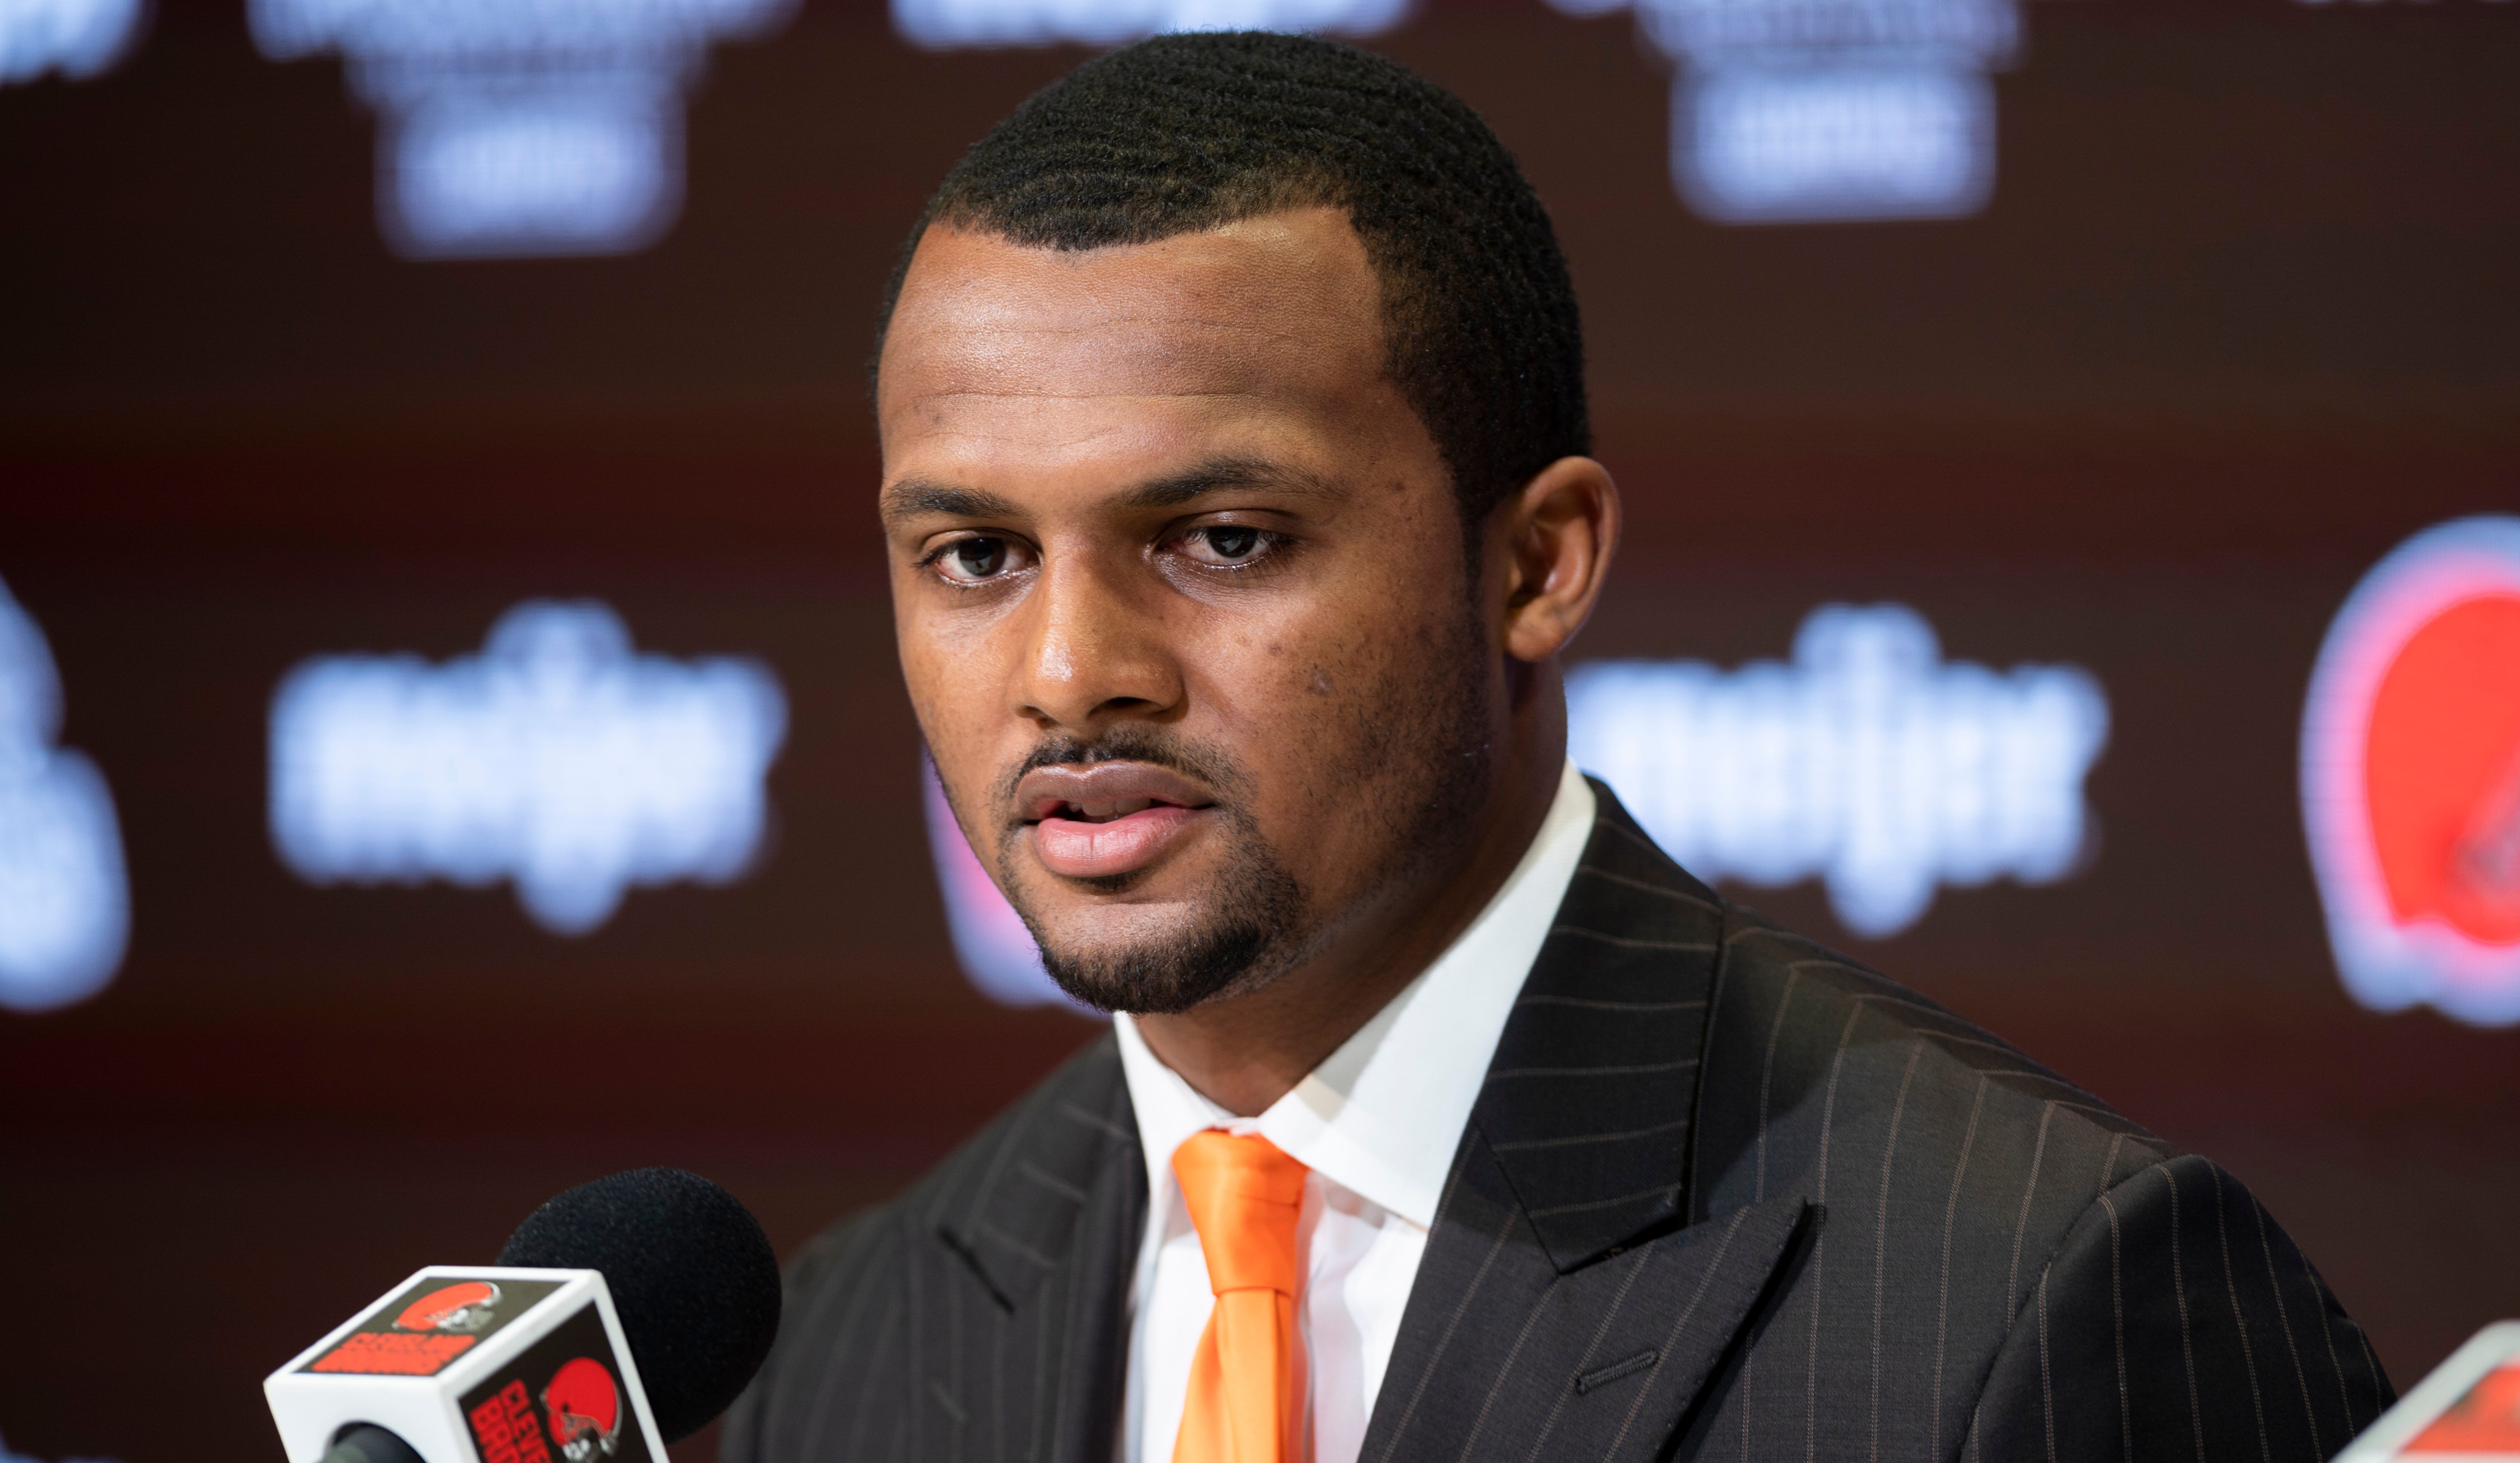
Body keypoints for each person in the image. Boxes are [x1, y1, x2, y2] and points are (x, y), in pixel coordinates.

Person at [722, 31, 2393, 1463]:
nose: (1071, 669)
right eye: (977, 557)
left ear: (1537, 560)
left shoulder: (2041, 1285)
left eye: (1222, 538)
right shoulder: (847, 1339)